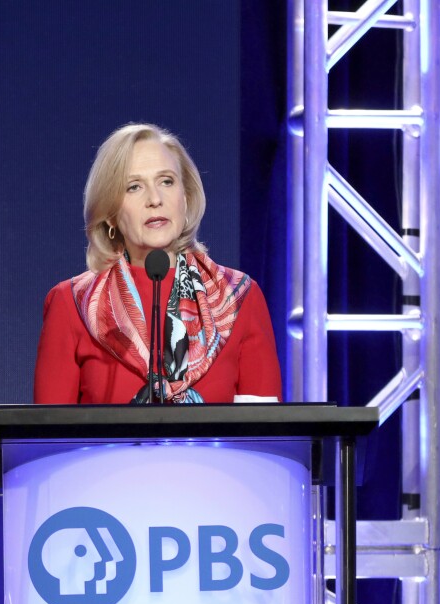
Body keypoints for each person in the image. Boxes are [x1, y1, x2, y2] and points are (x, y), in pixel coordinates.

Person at [33, 123, 282, 404]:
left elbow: (262, 427)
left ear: (185, 198)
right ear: (110, 213)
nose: (155, 199)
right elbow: (49, 429)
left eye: (166, 181)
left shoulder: (239, 298)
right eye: (134, 187)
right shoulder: (72, 304)